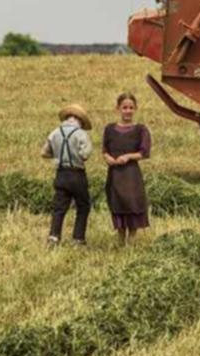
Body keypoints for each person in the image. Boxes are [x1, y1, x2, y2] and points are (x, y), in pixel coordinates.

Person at [42, 103, 94, 248]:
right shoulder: (81, 134)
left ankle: (54, 237)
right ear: (80, 120)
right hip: (77, 173)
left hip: (61, 173)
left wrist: (57, 155)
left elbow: (44, 152)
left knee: (59, 207)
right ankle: (78, 239)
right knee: (83, 206)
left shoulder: (55, 132)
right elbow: (85, 154)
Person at [102, 92, 151, 243]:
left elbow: (144, 152)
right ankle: (120, 238)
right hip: (115, 174)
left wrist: (128, 156)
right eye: (124, 107)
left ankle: (132, 240)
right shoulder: (109, 129)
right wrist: (108, 158)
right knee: (117, 203)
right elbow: (104, 150)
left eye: (131, 107)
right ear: (118, 108)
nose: (128, 111)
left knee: (132, 203)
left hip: (131, 175)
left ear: (135, 109)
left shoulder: (141, 130)